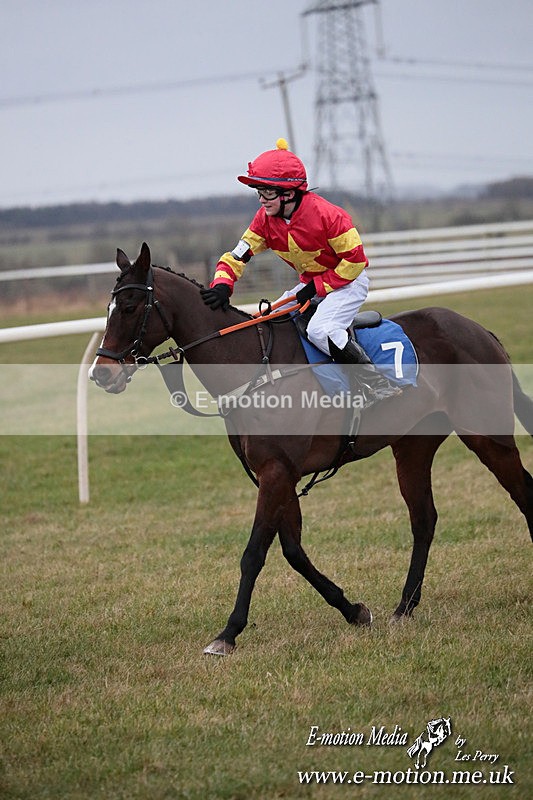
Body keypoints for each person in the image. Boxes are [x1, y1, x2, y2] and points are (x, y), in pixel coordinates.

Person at [200, 138, 400, 402]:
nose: (261, 200)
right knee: (270, 319)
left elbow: (355, 263)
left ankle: (375, 383)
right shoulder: (264, 220)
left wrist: (316, 288)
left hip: (348, 283)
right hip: (312, 286)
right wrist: (222, 285)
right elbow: (236, 256)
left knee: (321, 330)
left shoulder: (331, 216)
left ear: (289, 192)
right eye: (258, 192)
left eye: (267, 192)